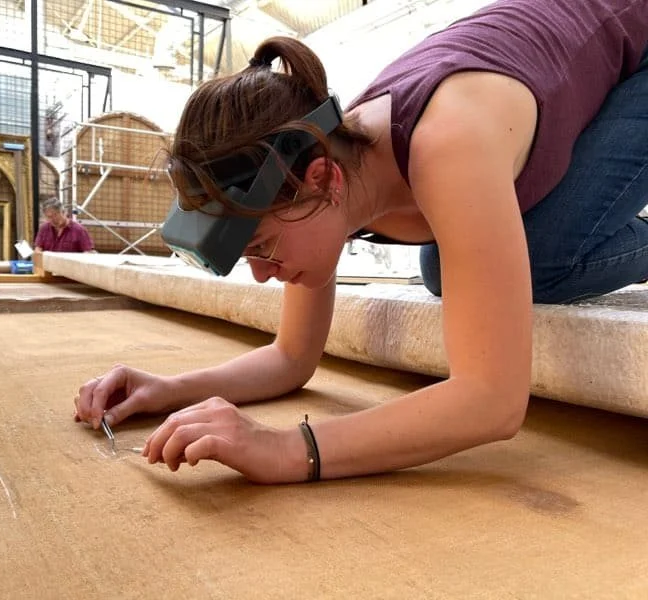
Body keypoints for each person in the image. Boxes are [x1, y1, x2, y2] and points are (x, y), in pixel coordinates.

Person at [74, 0, 648, 484]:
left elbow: (493, 401)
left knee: (522, 264)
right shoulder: (317, 161)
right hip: (568, 66)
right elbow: (291, 357)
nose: (261, 275)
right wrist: (168, 389)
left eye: (263, 248)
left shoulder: (447, 146)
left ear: (324, 180)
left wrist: (284, 449)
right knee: (447, 267)